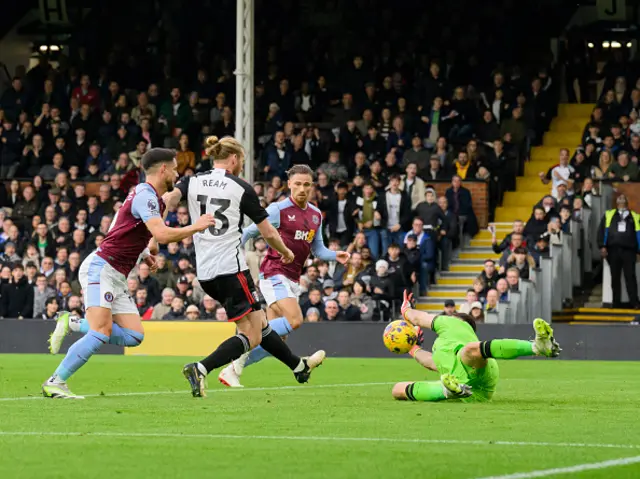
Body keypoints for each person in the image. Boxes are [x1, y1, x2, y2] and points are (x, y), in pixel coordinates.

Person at [43, 148, 216, 399]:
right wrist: (196, 227)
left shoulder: (150, 197)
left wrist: (145, 253)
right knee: (100, 331)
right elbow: (162, 234)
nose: (178, 173)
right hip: (101, 267)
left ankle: (72, 322)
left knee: (134, 336)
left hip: (116, 273)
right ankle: (56, 381)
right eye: (175, 168)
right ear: (163, 169)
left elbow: (126, 230)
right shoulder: (145, 195)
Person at [163, 136, 324, 397]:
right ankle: (201, 368)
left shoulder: (191, 181)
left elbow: (169, 200)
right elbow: (269, 232)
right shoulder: (240, 187)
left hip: (205, 272)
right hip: (231, 268)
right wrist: (284, 252)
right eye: (242, 161)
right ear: (235, 159)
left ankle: (298, 366)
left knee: (259, 322)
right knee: (252, 336)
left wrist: (154, 232)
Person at [218, 164, 350, 387]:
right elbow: (251, 231)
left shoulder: (316, 215)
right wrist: (232, 250)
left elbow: (318, 249)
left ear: (312, 187)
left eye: (307, 184)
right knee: (295, 320)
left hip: (293, 279)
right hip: (274, 273)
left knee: (276, 339)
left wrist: (335, 255)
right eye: (297, 184)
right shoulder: (278, 210)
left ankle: (233, 368)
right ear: (289, 184)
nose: (302, 189)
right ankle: (240, 345)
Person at [391, 292, 561, 402]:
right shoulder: (439, 347)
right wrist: (413, 349)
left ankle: (537, 347)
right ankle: (450, 390)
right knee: (397, 390)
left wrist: (406, 310)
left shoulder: (453, 324)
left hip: (475, 367)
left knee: (469, 350)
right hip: (473, 393)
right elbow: (431, 362)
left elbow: (419, 318)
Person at [597, 194, 640, 308]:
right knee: (614, 277)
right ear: (616, 202)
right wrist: (602, 246)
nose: (621, 198)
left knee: (630, 277)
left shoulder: (635, 216)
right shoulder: (609, 215)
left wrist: (639, 251)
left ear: (627, 201)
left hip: (629, 251)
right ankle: (616, 302)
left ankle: (634, 302)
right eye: (619, 198)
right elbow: (601, 231)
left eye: (623, 198)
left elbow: (638, 234)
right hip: (613, 250)